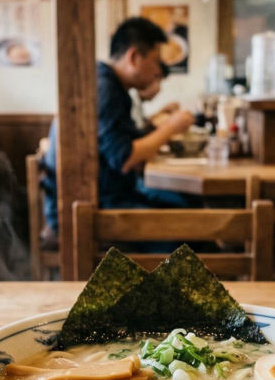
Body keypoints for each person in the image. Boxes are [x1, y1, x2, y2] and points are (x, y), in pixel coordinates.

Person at [42, 17, 197, 233]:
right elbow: (125, 158)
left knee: (186, 205)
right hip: (88, 209)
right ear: (133, 57)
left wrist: (160, 125)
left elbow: (124, 141)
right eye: (154, 60)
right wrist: (170, 127)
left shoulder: (105, 82)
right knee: (189, 226)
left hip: (98, 197)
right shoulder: (105, 89)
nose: (156, 71)